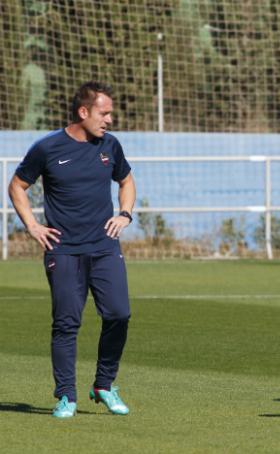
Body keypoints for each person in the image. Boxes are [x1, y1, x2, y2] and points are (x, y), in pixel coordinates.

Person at [8, 81, 136, 418]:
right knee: (66, 323)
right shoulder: (47, 148)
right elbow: (17, 186)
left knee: (119, 314)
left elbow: (126, 180)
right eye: (104, 112)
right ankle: (66, 396)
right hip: (63, 251)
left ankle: (104, 385)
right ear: (83, 112)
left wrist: (124, 214)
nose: (109, 119)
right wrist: (33, 226)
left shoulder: (111, 146)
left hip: (105, 247)